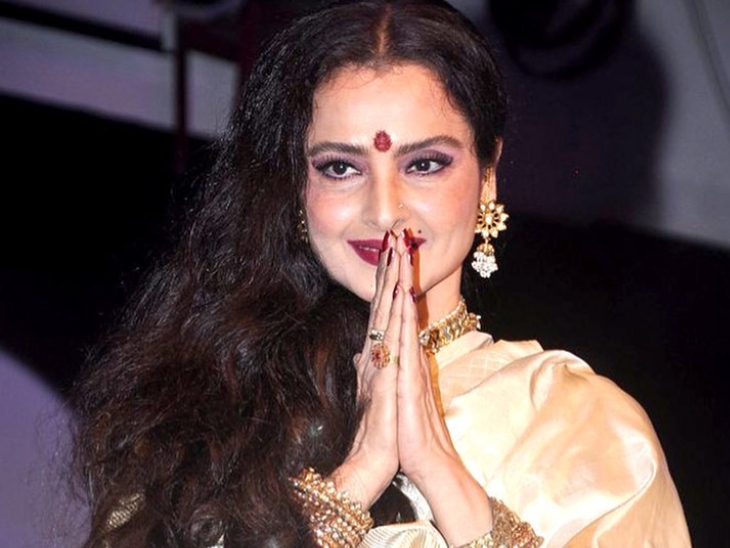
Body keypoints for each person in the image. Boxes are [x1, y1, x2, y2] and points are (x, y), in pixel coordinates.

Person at [70, 1, 690, 546]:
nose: (385, 209)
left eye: (425, 164)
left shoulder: (587, 434)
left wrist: (443, 475)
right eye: (341, 168)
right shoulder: (204, 418)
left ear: (487, 176)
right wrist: (356, 479)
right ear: (295, 188)